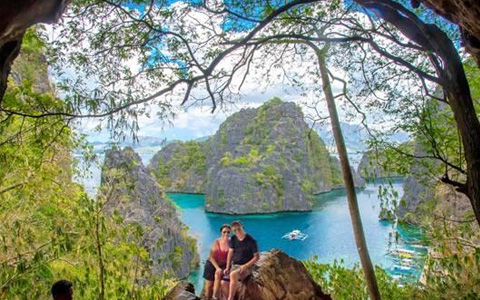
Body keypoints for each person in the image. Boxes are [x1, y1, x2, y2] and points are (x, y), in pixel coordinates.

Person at [222, 221, 259, 300]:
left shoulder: (251, 241)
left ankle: (230, 298)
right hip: (235, 265)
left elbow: (256, 257)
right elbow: (230, 253)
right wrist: (227, 267)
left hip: (247, 267)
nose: (237, 231)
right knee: (223, 282)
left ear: (242, 227)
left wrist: (245, 266)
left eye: (239, 229)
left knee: (233, 275)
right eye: (235, 230)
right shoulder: (233, 239)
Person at [203, 224, 231, 300]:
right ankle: (208, 298)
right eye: (224, 232)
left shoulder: (232, 243)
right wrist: (217, 268)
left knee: (218, 276)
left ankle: (214, 297)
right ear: (221, 233)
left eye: (228, 232)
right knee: (209, 286)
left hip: (223, 265)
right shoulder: (216, 242)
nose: (226, 234)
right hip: (212, 264)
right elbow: (211, 257)